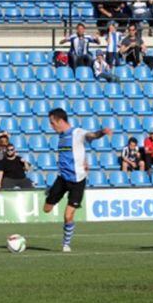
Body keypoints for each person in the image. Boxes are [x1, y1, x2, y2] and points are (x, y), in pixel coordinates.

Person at [42, 108, 112, 252]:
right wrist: (85, 160)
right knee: (46, 209)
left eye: (52, 123)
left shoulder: (77, 133)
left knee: (68, 216)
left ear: (60, 121)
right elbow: (77, 152)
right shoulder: (61, 137)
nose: (51, 126)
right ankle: (52, 193)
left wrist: (101, 132)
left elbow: (91, 135)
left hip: (78, 181)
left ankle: (66, 244)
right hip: (62, 179)